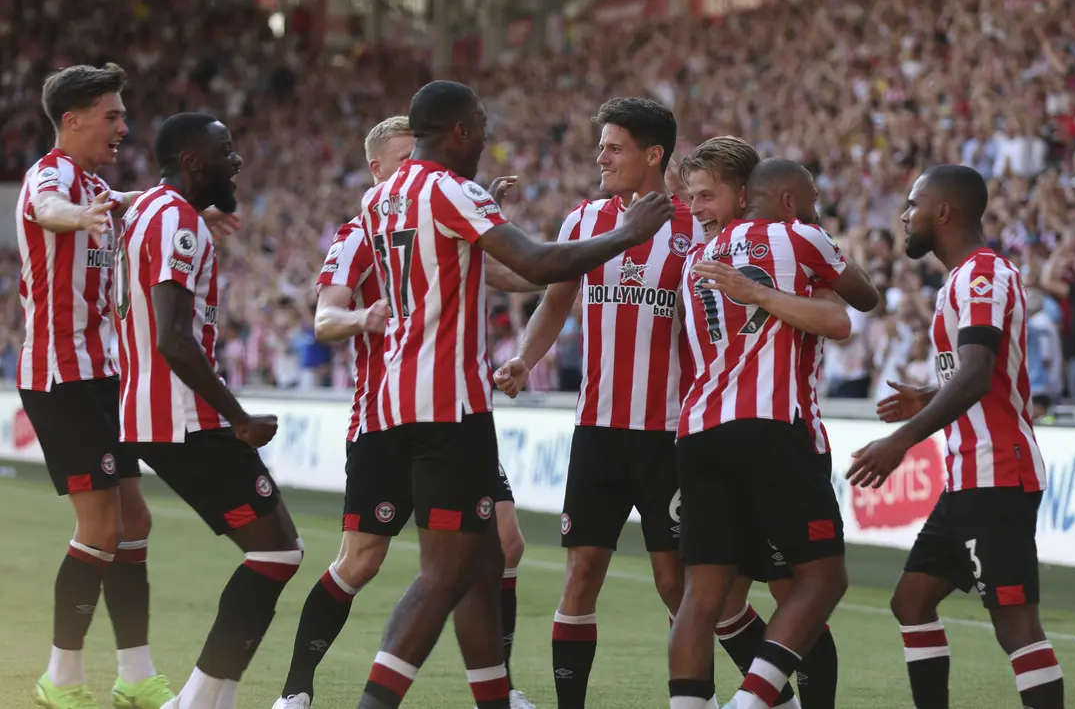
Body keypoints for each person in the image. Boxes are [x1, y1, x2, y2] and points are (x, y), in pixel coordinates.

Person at [353, 81, 673, 709]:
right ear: (461, 132)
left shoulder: (381, 198)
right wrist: (626, 233)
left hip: (399, 396)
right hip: (448, 402)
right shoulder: (451, 190)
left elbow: (468, 264)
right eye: (483, 128)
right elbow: (535, 265)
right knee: (446, 574)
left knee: (482, 567)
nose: (488, 141)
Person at [273, 116, 541, 709]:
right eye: (403, 159)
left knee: (505, 543)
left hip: (451, 410)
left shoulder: (437, 209)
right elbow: (324, 318)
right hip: (383, 418)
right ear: (376, 169)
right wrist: (362, 319)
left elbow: (506, 274)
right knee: (361, 561)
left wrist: (483, 228)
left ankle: (500, 687)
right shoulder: (360, 231)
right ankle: (295, 690)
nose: (419, 170)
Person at [492, 96, 733, 709]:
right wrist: (526, 358)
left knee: (673, 582)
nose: (600, 155)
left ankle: (697, 700)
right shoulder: (584, 221)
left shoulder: (695, 231)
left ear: (653, 155)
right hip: (597, 429)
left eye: (614, 146)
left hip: (671, 434)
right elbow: (555, 298)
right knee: (582, 572)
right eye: (601, 145)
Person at [847, 164, 1063, 709]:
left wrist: (901, 441)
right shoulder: (959, 279)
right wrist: (929, 392)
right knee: (911, 600)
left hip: (998, 473)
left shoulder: (982, 275)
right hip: (969, 475)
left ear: (944, 211)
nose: (904, 215)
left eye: (913, 204)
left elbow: (976, 372)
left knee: (1016, 625)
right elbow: (969, 372)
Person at [679, 136, 878, 709]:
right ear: (788, 200)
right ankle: (753, 703)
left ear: (737, 197)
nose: (817, 209)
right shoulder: (800, 236)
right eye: (811, 198)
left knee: (709, 600)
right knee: (815, 587)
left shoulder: (699, 259)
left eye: (704, 196)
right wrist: (789, 285)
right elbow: (858, 304)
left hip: (699, 430)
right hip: (779, 431)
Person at [114, 112, 304, 709]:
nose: (237, 160)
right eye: (226, 150)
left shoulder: (148, 210)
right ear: (193, 160)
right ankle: (196, 702)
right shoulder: (176, 220)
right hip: (184, 416)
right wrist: (238, 416)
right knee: (278, 552)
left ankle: (211, 700)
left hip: (152, 413)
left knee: (276, 551)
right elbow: (174, 336)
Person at [16, 62, 175, 709]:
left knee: (134, 519)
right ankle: (61, 676)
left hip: (104, 375)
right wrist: (73, 217)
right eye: (111, 115)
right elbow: (47, 207)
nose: (123, 127)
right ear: (73, 119)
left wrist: (189, 210)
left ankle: (135, 677)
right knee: (101, 527)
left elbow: (118, 205)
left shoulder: (92, 185)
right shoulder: (53, 177)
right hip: (64, 377)